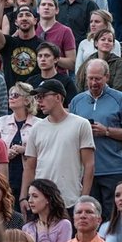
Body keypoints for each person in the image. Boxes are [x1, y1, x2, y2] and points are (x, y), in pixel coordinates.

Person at [68, 58, 122, 217]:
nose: (93, 82)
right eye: (90, 78)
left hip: (113, 168)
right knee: (90, 217)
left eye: (97, 78)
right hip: (86, 172)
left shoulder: (119, 99)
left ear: (107, 77)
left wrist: (106, 131)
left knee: (113, 218)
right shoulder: (77, 101)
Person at [20, 79, 95, 211]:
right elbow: (30, 167)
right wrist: (24, 197)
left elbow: (89, 165)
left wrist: (84, 199)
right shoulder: (36, 128)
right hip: (41, 201)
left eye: (42, 96)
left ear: (58, 97)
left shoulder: (81, 124)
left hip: (70, 200)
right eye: (37, 97)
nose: (39, 101)